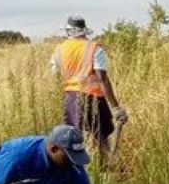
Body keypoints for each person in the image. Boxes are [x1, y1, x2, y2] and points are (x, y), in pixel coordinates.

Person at [51, 16, 128, 162]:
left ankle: (78, 171)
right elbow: (102, 79)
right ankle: (103, 169)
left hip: (70, 100)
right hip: (93, 99)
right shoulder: (94, 48)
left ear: (68, 31)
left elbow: (55, 77)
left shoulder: (59, 50)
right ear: (84, 31)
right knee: (100, 138)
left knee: (73, 140)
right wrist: (116, 107)